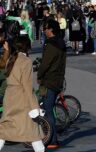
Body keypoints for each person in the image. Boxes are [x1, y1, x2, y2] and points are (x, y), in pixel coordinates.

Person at [0, 36, 45, 152]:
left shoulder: (11, 59)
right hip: (22, 98)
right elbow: (27, 86)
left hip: (10, 96)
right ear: (28, 47)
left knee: (5, 129)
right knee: (33, 130)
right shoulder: (26, 61)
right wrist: (35, 107)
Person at [37, 19, 66, 149]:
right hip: (57, 79)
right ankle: (51, 137)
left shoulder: (51, 45)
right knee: (50, 110)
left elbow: (45, 64)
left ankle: (52, 139)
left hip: (49, 80)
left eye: (46, 28)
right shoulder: (61, 43)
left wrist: (39, 75)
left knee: (48, 111)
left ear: (51, 29)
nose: (44, 31)